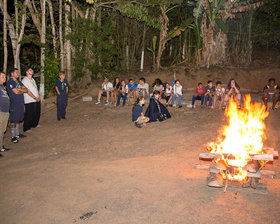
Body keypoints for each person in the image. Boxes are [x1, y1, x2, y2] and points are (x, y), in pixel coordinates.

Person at [6, 68, 30, 143]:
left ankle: (17, 134)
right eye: (16, 73)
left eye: (18, 73)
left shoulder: (18, 82)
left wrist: (20, 90)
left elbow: (26, 90)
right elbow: (15, 92)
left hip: (20, 103)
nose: (18, 74)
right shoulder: (10, 82)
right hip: (14, 103)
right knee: (13, 120)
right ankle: (13, 136)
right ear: (12, 74)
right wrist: (20, 90)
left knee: (18, 119)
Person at [22, 68, 41, 132]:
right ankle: (26, 127)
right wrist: (35, 97)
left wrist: (38, 95)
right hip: (29, 100)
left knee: (36, 112)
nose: (32, 71)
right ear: (26, 72)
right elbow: (27, 91)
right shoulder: (25, 80)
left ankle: (34, 124)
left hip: (36, 99)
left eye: (32, 70)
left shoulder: (32, 79)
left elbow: (35, 88)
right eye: (30, 70)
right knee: (29, 114)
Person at [0, 72, 10, 152]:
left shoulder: (2, 87)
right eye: (2, 76)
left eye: (5, 76)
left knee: (3, 130)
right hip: (1, 111)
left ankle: (1, 146)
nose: (4, 78)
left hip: (5, 111)